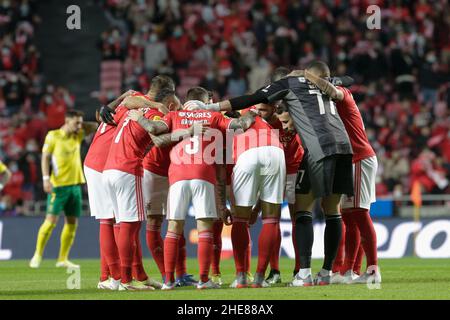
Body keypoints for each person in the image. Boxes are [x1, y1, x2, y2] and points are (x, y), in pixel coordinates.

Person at [189, 63, 354, 286]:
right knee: (331, 211)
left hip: (315, 148)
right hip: (344, 145)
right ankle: (324, 272)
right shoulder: (324, 86)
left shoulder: (286, 87)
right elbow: (348, 80)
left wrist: (211, 107)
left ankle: (301, 274)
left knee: (300, 211)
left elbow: (249, 99)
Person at [128, 86, 257, 290]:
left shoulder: (173, 116)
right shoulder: (212, 116)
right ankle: (204, 280)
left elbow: (154, 131)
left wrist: (138, 118)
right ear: (205, 100)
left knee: (173, 228)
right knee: (205, 228)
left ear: (186, 100)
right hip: (203, 174)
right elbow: (240, 126)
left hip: (177, 175)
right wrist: (252, 113)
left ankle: (169, 281)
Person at [303, 66, 381, 285]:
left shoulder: (342, 94)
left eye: (313, 81)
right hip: (349, 161)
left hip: (359, 158)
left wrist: (309, 76)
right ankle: (349, 271)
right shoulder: (325, 106)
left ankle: (373, 270)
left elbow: (335, 89)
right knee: (348, 216)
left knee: (359, 213)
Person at [84, 89, 163, 290]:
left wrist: (116, 101)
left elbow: (101, 114)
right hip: (106, 162)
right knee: (119, 221)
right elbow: (130, 100)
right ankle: (115, 278)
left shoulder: (124, 105)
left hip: (99, 161)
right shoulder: (142, 103)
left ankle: (129, 276)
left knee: (118, 221)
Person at [29, 110, 98, 269]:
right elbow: (45, 158)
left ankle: (63, 258)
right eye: (76, 123)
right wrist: (46, 178)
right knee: (50, 221)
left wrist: (81, 124)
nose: (79, 126)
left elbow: (94, 126)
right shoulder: (53, 136)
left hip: (75, 186)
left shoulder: (78, 134)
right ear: (67, 121)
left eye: (80, 123)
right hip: (58, 186)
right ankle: (37, 255)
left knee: (72, 222)